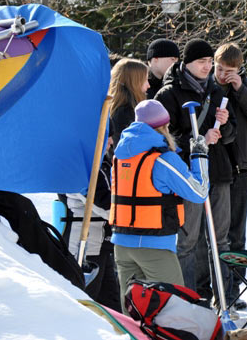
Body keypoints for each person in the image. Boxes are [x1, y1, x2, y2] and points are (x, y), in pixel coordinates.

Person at [154, 38, 236, 310]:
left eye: (210, 62)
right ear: (186, 63)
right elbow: (162, 136)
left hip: (218, 172)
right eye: (202, 62)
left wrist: (225, 126)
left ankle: (225, 297)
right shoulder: (169, 94)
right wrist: (198, 138)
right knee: (188, 239)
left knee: (220, 238)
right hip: (187, 174)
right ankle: (186, 299)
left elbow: (231, 134)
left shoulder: (216, 90)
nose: (207, 66)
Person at [109, 99, 209, 313]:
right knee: (172, 310)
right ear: (163, 126)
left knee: (134, 312)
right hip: (154, 246)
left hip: (122, 245)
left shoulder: (119, 156)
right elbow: (199, 192)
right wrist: (200, 156)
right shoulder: (162, 159)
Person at [213, 42, 247, 310]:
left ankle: (234, 289)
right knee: (214, 232)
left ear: (239, 69)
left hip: (242, 166)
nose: (222, 75)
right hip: (216, 166)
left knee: (237, 233)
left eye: (229, 71)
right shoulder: (208, 86)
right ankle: (215, 288)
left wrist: (239, 89)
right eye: (219, 69)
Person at [58, 127, 120, 311]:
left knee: (111, 305)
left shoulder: (100, 163)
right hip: (84, 246)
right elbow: (104, 206)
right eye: (108, 136)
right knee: (86, 302)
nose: (111, 141)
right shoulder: (83, 167)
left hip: (101, 243)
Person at [108, 58, 150, 145]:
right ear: (134, 82)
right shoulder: (125, 113)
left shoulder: (120, 108)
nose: (148, 85)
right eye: (145, 80)